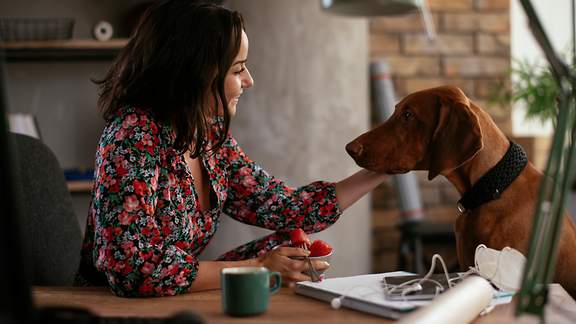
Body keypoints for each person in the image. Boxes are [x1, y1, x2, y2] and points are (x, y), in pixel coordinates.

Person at [77, 0, 388, 297]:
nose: (249, 80)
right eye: (238, 69)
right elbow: (133, 271)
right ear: (197, 72)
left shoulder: (209, 137)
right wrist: (257, 267)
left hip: (171, 299)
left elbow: (284, 208)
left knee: (290, 247)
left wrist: (386, 165)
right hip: (111, 306)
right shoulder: (131, 136)